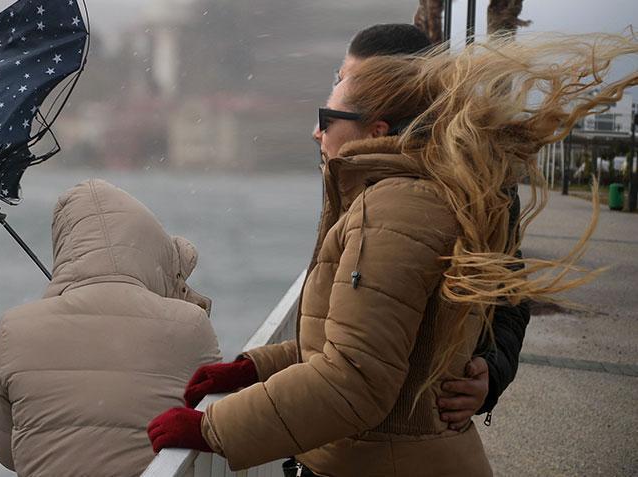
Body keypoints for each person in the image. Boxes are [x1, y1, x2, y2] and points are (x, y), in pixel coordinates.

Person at [148, 28, 637, 475]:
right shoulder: (418, 190)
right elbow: (367, 339)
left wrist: (213, 428)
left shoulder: (395, 208)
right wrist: (255, 365)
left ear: (379, 130)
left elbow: (354, 379)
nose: (315, 132)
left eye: (327, 116)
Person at [335, 23, 532, 431]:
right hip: (345, 414)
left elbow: (507, 288)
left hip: (417, 423)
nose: (345, 99)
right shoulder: (350, 157)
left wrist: (491, 373)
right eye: (342, 82)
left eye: (365, 87)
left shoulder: (478, 178)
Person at [0, 179, 221, 476]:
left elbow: (8, 451)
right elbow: (214, 427)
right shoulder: (190, 325)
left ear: (64, 247)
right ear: (152, 249)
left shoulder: (15, 329)